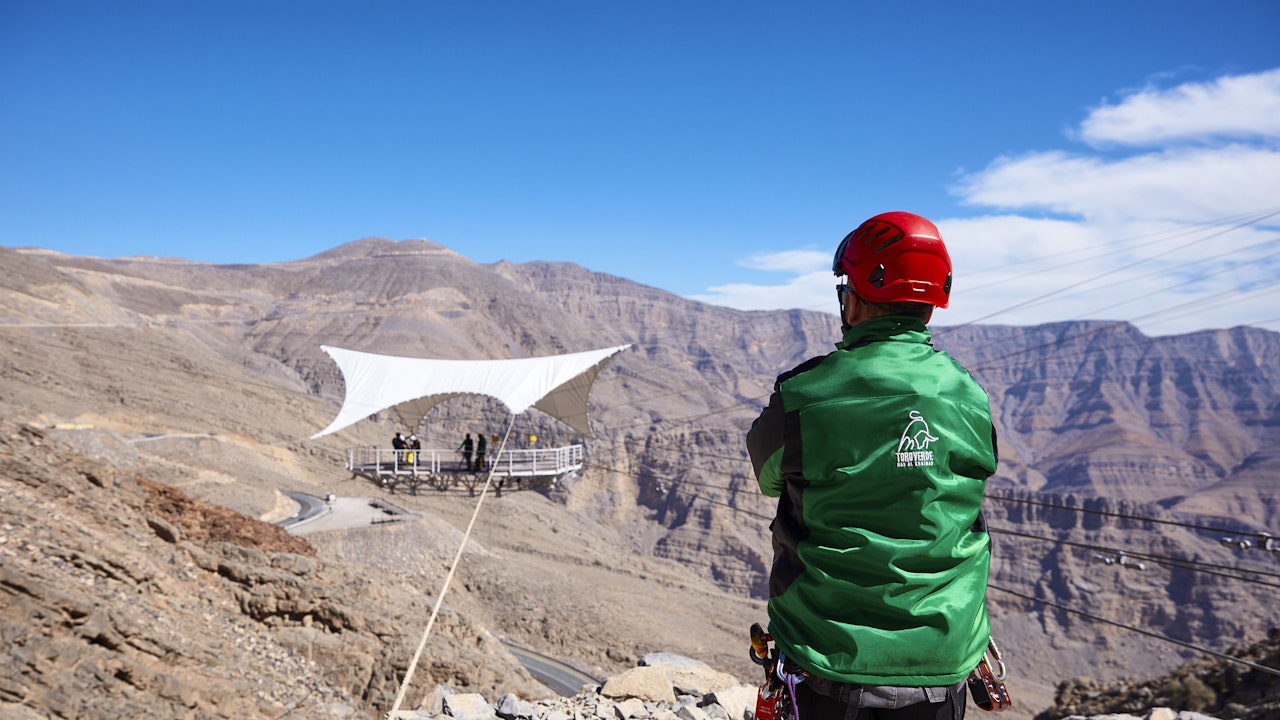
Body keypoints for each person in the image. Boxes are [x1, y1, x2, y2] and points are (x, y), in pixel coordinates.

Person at [746, 211, 998, 720]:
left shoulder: (804, 395)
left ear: (855, 300)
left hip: (828, 659)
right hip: (942, 665)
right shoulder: (971, 395)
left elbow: (767, 472)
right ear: (928, 308)